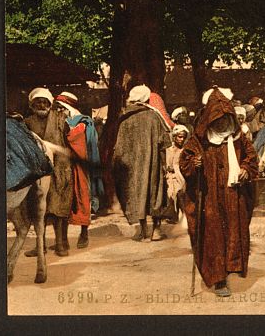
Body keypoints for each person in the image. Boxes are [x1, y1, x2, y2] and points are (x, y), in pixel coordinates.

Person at [179, 89, 258, 298]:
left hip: (234, 195)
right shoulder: (199, 140)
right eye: (218, 119)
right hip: (209, 197)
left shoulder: (239, 138)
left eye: (226, 118)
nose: (222, 123)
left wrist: (245, 170)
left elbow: (251, 159)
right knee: (213, 235)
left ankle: (229, 269)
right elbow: (185, 161)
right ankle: (218, 279)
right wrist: (194, 165)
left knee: (232, 233)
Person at [113, 85, 173, 241]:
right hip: (152, 164)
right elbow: (164, 143)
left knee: (136, 194)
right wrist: (164, 164)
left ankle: (142, 230)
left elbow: (119, 149)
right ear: (146, 99)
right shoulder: (154, 117)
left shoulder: (125, 119)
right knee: (155, 193)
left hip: (132, 168)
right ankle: (156, 230)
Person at [24, 88, 73, 256]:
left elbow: (71, 139)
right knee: (39, 210)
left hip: (60, 170)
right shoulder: (27, 122)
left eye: (45, 102)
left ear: (50, 104)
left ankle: (60, 244)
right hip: (39, 171)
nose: (41, 105)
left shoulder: (61, 119)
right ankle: (40, 246)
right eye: (38, 102)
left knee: (59, 208)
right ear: (32, 105)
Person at [55, 92, 102, 249]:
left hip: (80, 166)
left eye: (61, 108)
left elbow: (79, 144)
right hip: (62, 166)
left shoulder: (83, 122)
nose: (59, 111)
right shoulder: (57, 122)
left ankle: (84, 234)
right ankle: (63, 240)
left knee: (82, 197)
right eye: (57, 108)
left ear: (68, 107)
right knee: (63, 201)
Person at [165, 124, 189, 223]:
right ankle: (172, 216)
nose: (181, 139)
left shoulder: (184, 151)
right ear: (174, 137)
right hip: (169, 176)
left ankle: (184, 216)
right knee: (170, 194)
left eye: (183, 137)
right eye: (179, 137)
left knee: (180, 192)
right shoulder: (168, 149)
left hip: (179, 176)